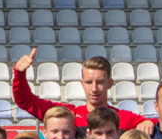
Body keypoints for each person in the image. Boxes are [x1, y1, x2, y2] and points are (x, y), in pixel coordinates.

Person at [10, 51, 143, 131]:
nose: (94, 88)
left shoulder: (125, 119)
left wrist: (147, 123)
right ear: (82, 84)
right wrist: (19, 74)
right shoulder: (69, 116)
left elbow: (159, 126)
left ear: (110, 83)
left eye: (100, 82)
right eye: (89, 82)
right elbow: (25, 101)